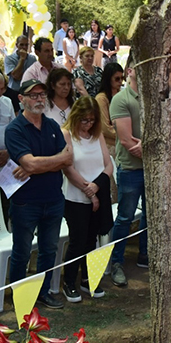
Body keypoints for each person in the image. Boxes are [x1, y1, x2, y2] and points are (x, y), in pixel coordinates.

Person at [4, 79, 72, 310]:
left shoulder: (52, 125)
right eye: (33, 95)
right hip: (25, 202)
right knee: (22, 251)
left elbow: (67, 159)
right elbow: (31, 163)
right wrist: (46, 162)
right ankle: (20, 296)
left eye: (42, 94)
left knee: (49, 249)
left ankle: (42, 293)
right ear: (21, 99)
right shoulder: (14, 129)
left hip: (53, 199)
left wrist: (34, 166)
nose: (39, 99)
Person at [60, 96, 114, 302]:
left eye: (92, 120)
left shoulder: (97, 135)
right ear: (76, 117)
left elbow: (108, 165)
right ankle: (69, 281)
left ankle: (88, 278)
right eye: (84, 120)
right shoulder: (67, 134)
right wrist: (88, 191)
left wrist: (96, 187)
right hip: (75, 197)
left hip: (97, 192)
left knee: (92, 240)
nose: (88, 124)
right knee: (78, 241)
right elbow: (69, 168)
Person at [108, 62, 148, 286]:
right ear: (129, 71)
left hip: (151, 169)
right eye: (137, 67)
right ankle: (117, 262)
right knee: (125, 217)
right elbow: (126, 140)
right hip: (131, 169)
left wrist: (147, 146)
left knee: (150, 216)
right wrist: (152, 148)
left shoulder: (153, 96)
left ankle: (145, 254)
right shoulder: (120, 99)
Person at [95, 62, 123, 156]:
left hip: (123, 142)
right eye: (117, 79)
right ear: (108, 79)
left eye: (122, 78)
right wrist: (125, 136)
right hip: (110, 146)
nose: (120, 82)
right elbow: (105, 128)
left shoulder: (122, 95)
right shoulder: (101, 99)